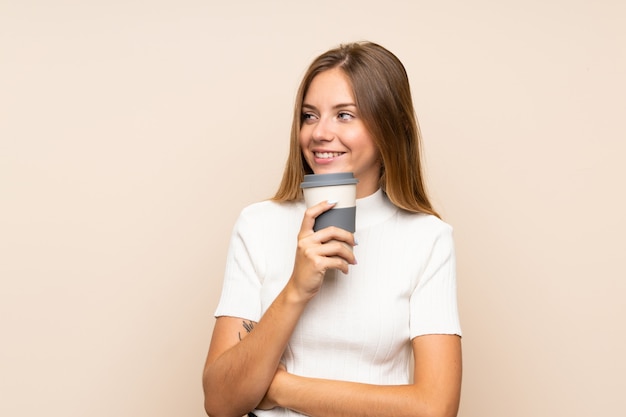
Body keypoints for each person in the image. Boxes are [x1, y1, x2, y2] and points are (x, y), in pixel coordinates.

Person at [202, 41, 462, 417]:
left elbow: (434, 408)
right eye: (309, 115)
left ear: (390, 125)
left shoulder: (427, 239)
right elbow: (221, 401)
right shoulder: (257, 225)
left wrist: (279, 387)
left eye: (344, 115)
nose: (320, 133)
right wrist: (296, 289)